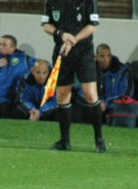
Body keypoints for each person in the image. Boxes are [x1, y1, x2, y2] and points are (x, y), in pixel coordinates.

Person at [42, 0, 107, 153]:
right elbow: (46, 24)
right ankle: (65, 141)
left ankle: (99, 140)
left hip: (83, 51)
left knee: (90, 94)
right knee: (62, 95)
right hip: (62, 50)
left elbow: (92, 25)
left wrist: (72, 41)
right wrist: (61, 34)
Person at [95, 44, 134, 121]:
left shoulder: (123, 72)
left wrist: (106, 104)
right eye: (102, 56)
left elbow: (126, 96)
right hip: (96, 109)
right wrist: (97, 102)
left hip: (116, 111)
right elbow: (81, 91)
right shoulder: (90, 72)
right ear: (96, 57)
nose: (106, 59)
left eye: (108, 56)